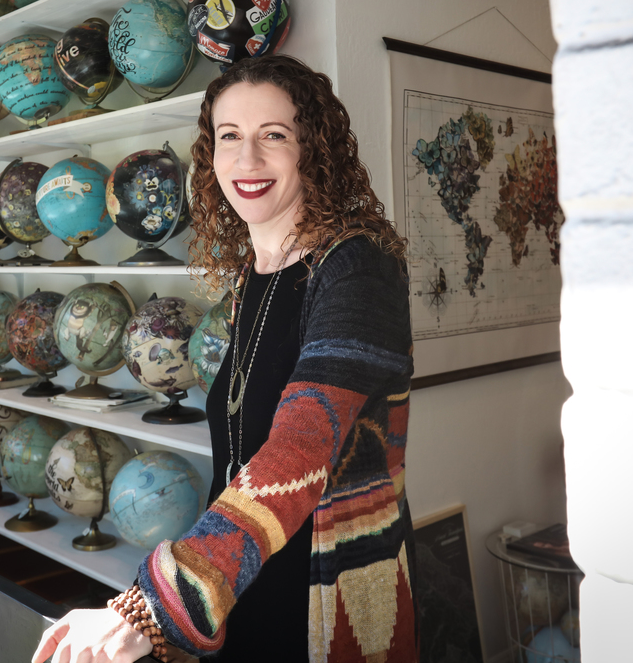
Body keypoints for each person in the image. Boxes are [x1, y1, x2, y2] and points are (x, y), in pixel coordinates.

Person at [33, 55, 418, 663]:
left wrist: (148, 609)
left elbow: (302, 444)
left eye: (275, 135)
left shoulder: (357, 269)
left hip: (327, 593)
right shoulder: (250, 277)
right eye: (230, 136)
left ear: (313, 148)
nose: (248, 159)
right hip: (237, 591)